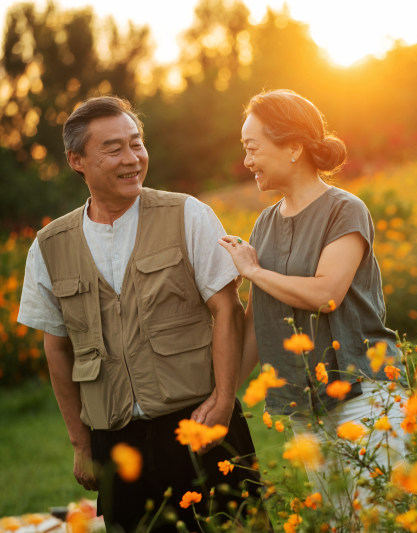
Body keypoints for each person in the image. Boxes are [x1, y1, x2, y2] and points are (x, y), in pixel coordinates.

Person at [17, 96, 260, 533]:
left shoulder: (188, 214)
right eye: (114, 149)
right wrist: (80, 443)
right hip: (115, 445)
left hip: (199, 424)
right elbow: (56, 347)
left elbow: (227, 308)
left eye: (137, 143)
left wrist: (224, 402)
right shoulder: (49, 246)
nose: (132, 159)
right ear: (77, 160)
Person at [218, 89, 407, 521]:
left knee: (384, 522)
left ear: (293, 148)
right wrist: (222, 398)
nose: (247, 161)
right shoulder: (265, 223)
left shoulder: (345, 210)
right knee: (341, 522)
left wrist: (255, 271)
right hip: (304, 407)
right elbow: (256, 322)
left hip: (362, 393)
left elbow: (327, 294)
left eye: (253, 147)